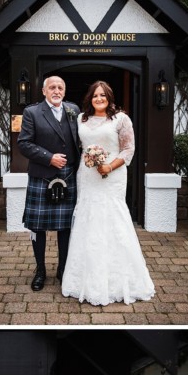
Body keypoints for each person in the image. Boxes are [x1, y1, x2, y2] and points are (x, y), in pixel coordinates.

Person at [62, 81, 156, 305]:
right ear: (90, 98)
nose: (99, 99)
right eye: (95, 95)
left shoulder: (121, 119)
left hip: (112, 175)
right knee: (88, 218)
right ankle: (84, 279)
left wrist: (109, 166)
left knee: (112, 218)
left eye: (103, 95)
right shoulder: (81, 118)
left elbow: (128, 148)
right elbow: (78, 146)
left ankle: (117, 280)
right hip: (87, 176)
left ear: (109, 97)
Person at [17, 75, 80, 291]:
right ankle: (40, 270)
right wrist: (48, 157)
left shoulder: (74, 110)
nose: (56, 91)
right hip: (42, 175)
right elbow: (23, 144)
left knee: (65, 227)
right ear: (44, 91)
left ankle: (63, 270)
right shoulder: (32, 112)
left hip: (69, 175)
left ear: (64, 91)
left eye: (60, 87)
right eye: (52, 87)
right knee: (38, 226)